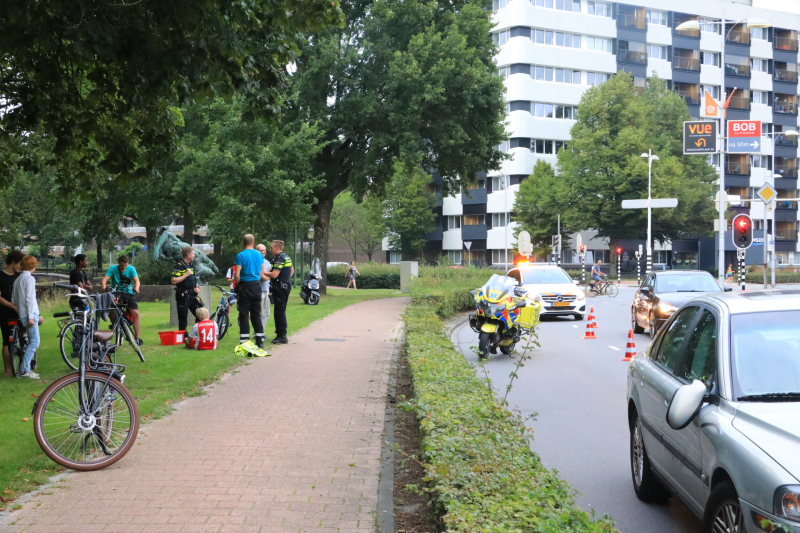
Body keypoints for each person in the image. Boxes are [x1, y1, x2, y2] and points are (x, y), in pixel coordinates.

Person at [11, 255, 43, 379]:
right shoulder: (30, 279)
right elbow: (29, 299)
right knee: (35, 342)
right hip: (31, 314)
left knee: (30, 341)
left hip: (22, 315)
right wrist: (30, 316)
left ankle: (25, 368)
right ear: (32, 266)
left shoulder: (17, 280)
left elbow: (14, 299)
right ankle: (25, 369)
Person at [101, 255, 143, 345]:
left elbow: (137, 280)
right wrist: (104, 287)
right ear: (118, 263)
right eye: (122, 265)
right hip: (116, 293)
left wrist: (137, 288)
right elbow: (104, 280)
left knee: (135, 313)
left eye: (125, 265)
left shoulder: (131, 269)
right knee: (113, 305)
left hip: (128, 293)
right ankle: (114, 323)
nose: (124, 267)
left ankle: (137, 338)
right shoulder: (113, 268)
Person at [234, 234, 266, 348]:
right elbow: (262, 273)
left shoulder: (240, 256)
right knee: (256, 314)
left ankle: (244, 341)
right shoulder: (259, 255)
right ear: (253, 242)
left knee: (243, 314)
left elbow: (237, 274)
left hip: (245, 286)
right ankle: (260, 340)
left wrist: (237, 284)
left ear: (244, 242)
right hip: (256, 286)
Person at [0, 250, 24, 376]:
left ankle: (23, 364)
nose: (20, 267)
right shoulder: (1, 276)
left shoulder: (18, 276)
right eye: (20, 264)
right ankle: (8, 370)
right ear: (13, 262)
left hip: (19, 310)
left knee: (23, 333)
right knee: (6, 340)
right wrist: (12, 306)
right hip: (5, 312)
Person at [265, 240, 293, 344]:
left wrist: (263, 272)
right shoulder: (287, 257)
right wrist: (285, 280)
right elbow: (291, 270)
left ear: (277, 248)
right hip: (284, 287)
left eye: (271, 247)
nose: (270, 249)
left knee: (279, 312)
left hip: (280, 288)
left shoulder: (280, 259)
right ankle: (281, 334)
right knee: (281, 310)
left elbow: (275, 275)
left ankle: (282, 336)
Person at [171, 246, 200, 331]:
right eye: (193, 254)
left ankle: (199, 333)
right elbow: (173, 280)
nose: (194, 256)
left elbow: (195, 279)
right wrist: (186, 275)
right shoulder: (179, 266)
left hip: (192, 296)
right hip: (183, 296)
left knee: (200, 315)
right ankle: (183, 336)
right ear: (188, 255)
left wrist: (197, 287)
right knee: (183, 318)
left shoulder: (192, 265)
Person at [256, 243, 272, 338]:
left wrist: (268, 276)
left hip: (266, 290)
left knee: (266, 313)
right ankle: (257, 333)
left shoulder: (267, 262)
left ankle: (262, 332)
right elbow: (261, 277)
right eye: (260, 250)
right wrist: (270, 276)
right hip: (259, 291)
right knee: (260, 312)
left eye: (264, 250)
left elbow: (269, 273)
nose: (263, 252)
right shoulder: (256, 262)